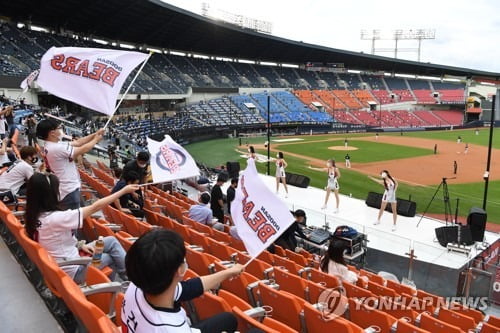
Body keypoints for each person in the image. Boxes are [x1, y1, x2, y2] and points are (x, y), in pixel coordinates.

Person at [24, 173, 139, 283]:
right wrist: (123, 191)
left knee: (111, 241)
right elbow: (95, 207)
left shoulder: (33, 215)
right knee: (111, 257)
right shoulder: (56, 218)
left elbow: (54, 240)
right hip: (75, 270)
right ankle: (131, 282)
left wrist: (79, 245)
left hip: (68, 258)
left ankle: (129, 278)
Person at [122, 229, 243, 333]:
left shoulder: (140, 282)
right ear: (180, 270)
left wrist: (227, 273)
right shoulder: (172, 329)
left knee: (228, 319)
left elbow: (189, 288)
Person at [36, 118, 104, 210]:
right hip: (68, 191)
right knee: (76, 221)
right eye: (59, 128)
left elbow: (78, 142)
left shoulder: (55, 144)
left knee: (81, 218)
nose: (61, 130)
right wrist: (96, 140)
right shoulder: (55, 148)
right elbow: (82, 149)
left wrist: (95, 134)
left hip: (70, 188)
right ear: (52, 133)